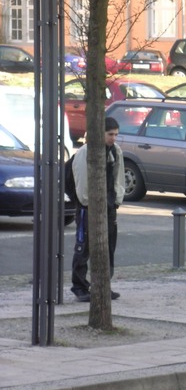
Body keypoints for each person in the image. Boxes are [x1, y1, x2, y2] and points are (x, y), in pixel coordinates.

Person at [70, 117, 125, 302]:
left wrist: (116, 201)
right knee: (84, 246)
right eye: (110, 134)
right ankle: (79, 286)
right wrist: (86, 203)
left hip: (109, 205)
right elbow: (82, 181)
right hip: (88, 206)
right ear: (100, 133)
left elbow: (118, 177)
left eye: (116, 134)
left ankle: (102, 285)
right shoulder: (85, 152)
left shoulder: (115, 151)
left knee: (108, 247)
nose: (114, 138)